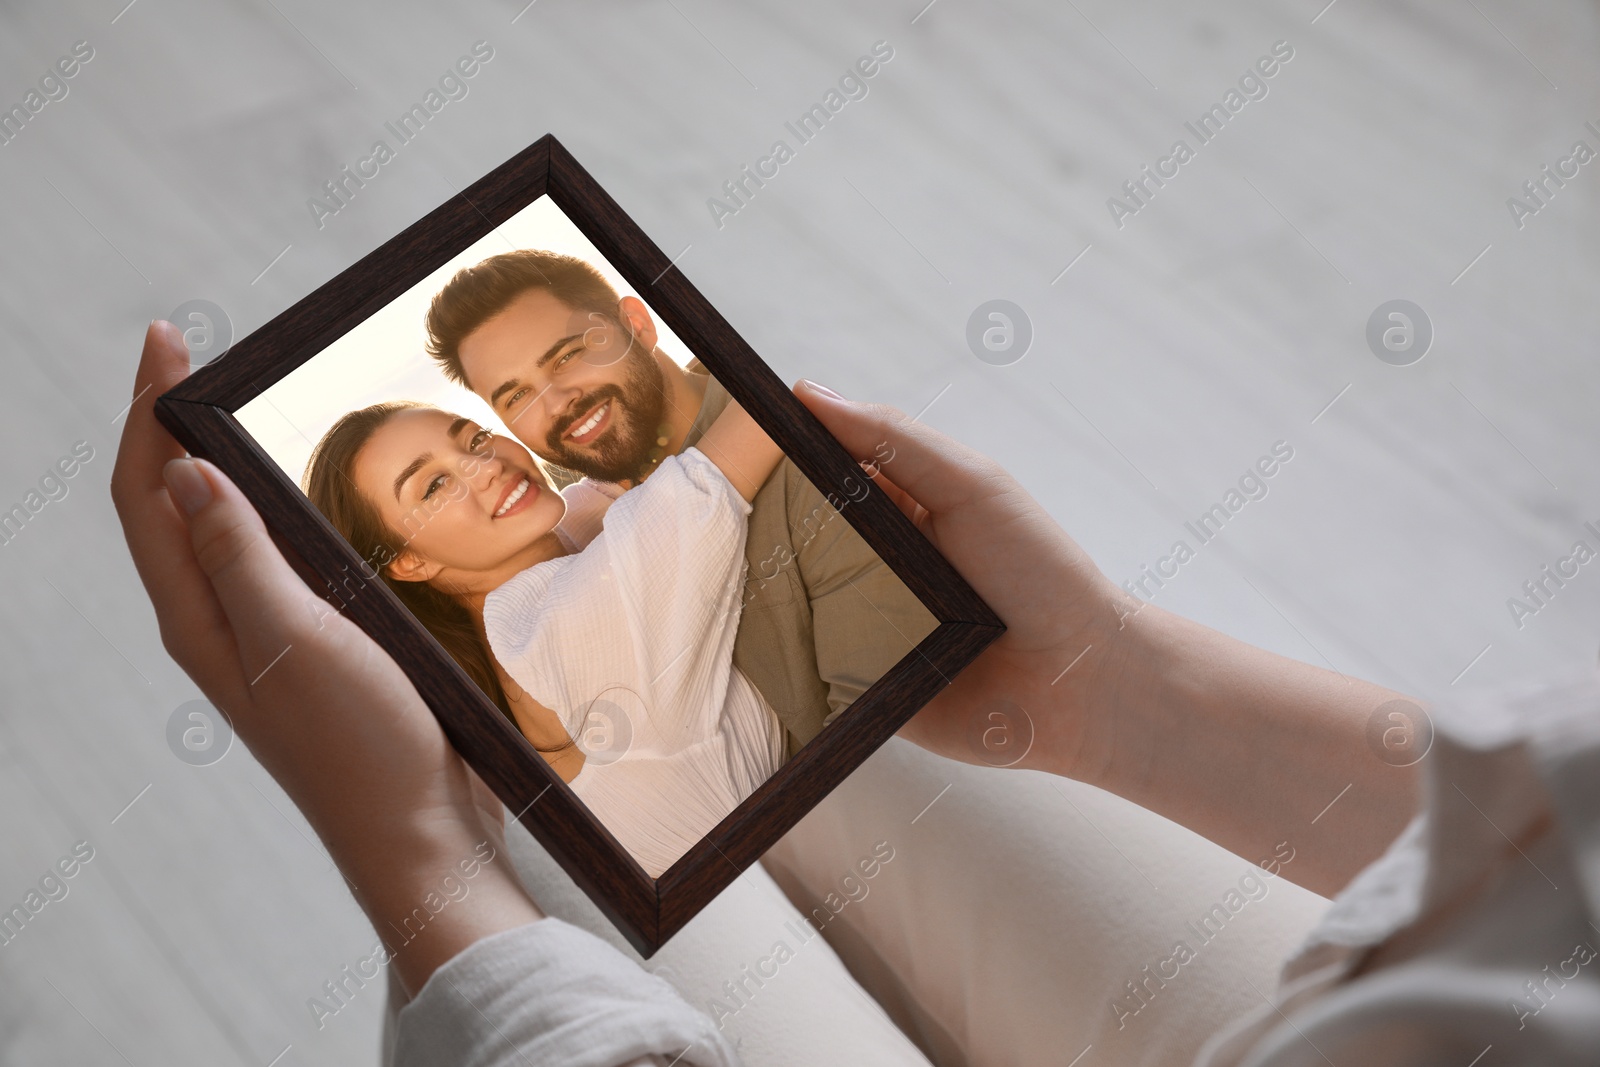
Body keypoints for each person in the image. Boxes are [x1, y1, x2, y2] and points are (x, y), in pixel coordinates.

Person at [115, 322, 1600, 1066]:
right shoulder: (565, 585)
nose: (497, 450)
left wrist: (417, 868)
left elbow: (671, 512)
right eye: (441, 473)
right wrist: (1112, 684)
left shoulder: (586, 554)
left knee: (535, 818)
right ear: (400, 549)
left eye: (465, 431)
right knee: (852, 722)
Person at [422, 250, 940, 761]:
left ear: (637, 324)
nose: (557, 403)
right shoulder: (583, 527)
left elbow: (888, 752)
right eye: (516, 397)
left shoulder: (810, 471)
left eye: (567, 356)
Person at [300, 396, 789, 877]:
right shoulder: (554, 633)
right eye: (434, 486)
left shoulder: (538, 583)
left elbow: (597, 495)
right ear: (409, 562)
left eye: (475, 439)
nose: (485, 468)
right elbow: (768, 408)